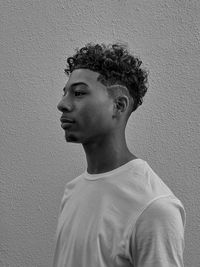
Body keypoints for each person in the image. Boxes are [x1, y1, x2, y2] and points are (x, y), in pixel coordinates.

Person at [53, 43, 185, 267]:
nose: (62, 104)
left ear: (119, 104)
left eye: (79, 93)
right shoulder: (73, 191)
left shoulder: (154, 207)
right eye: (65, 93)